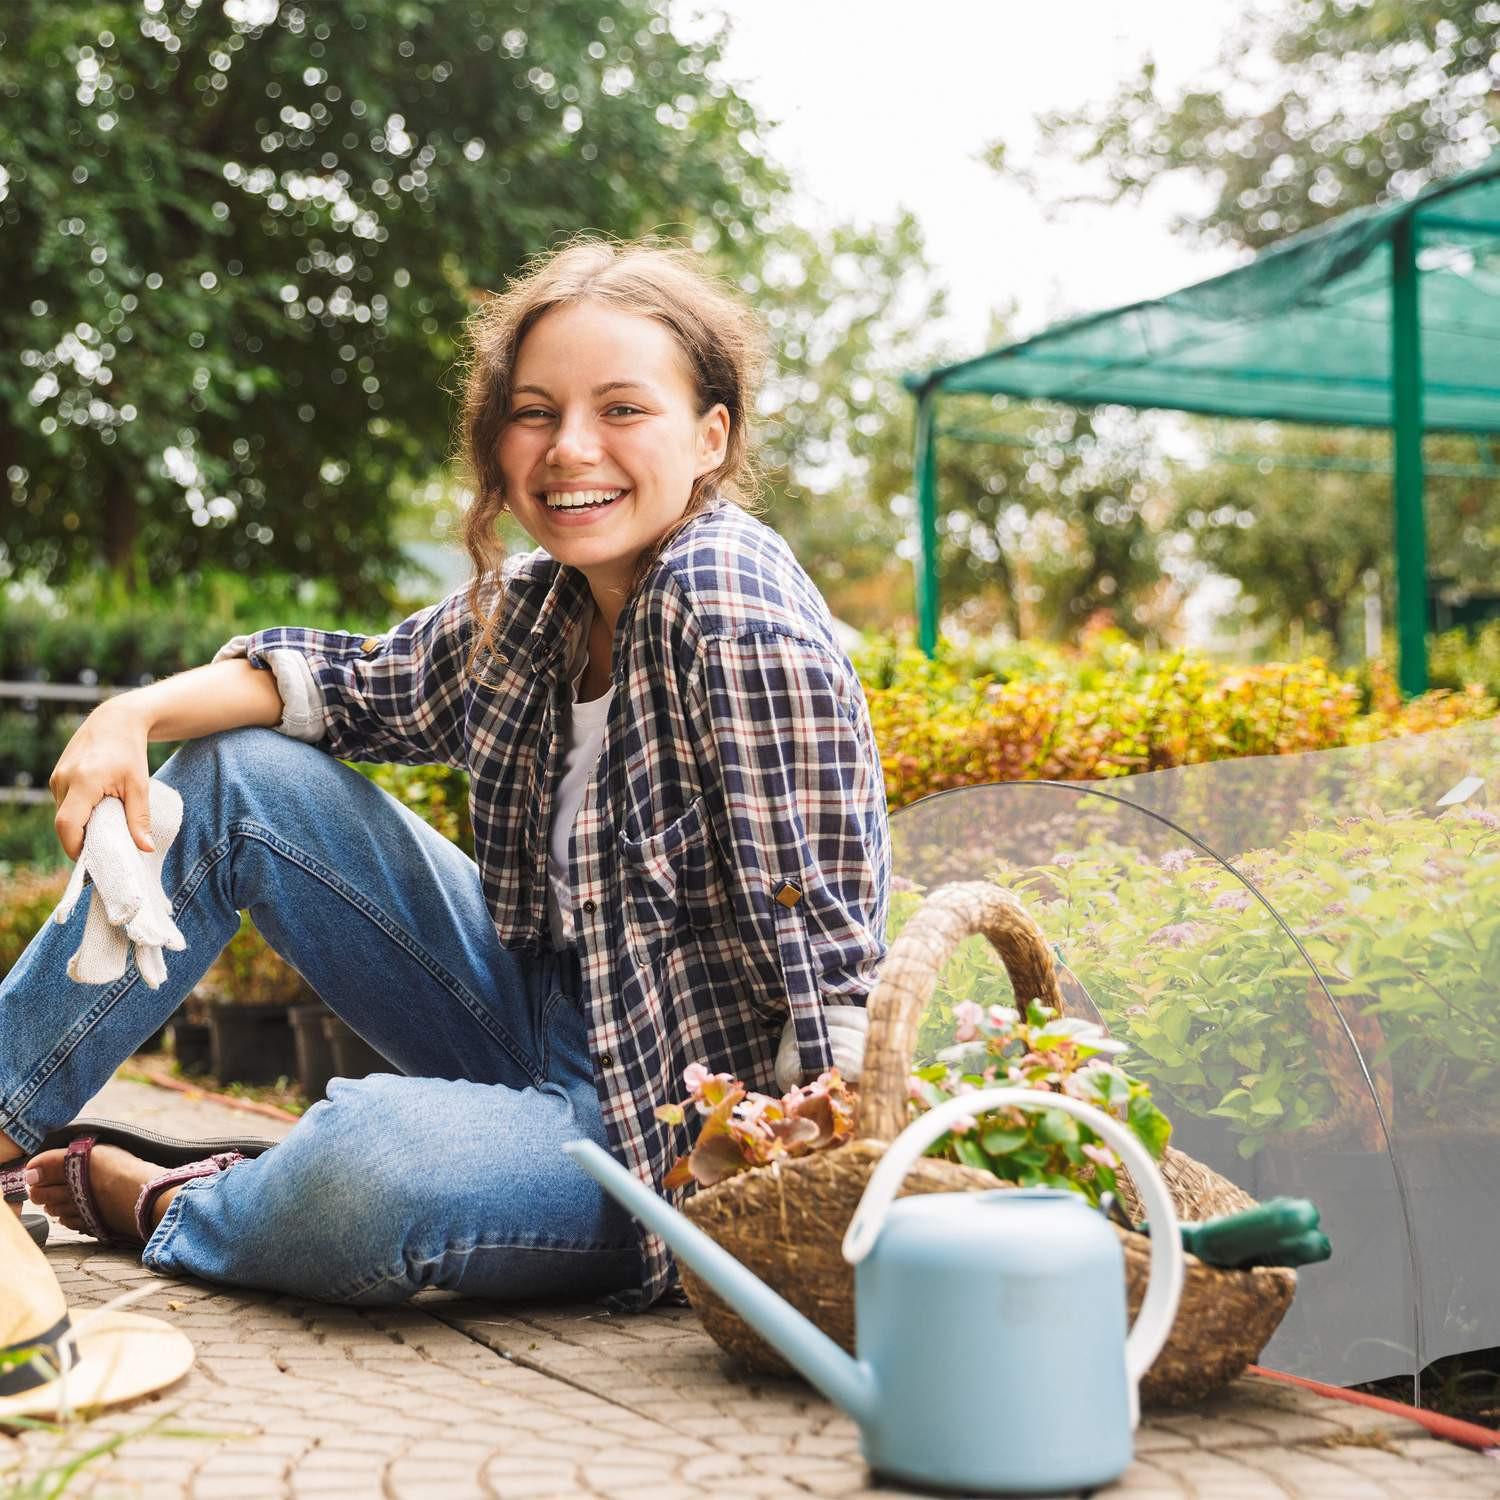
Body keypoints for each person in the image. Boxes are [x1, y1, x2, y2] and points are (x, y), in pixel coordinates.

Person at [0, 239, 891, 1308]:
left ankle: (169, 1202)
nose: (570, 448)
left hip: (664, 1130)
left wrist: (818, 1204)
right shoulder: (537, 608)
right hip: (540, 1012)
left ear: (710, 438)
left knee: (380, 1163)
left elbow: (827, 949)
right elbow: (338, 683)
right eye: (534, 411)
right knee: (235, 775)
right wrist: (126, 715)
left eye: (621, 410)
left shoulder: (728, 599)